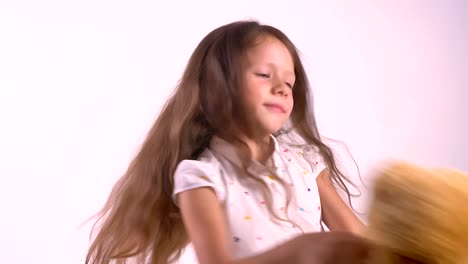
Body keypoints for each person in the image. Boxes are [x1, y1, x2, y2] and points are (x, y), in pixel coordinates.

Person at [85, 20, 368, 264]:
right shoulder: (200, 178)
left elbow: (362, 243)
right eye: (264, 75)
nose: (281, 88)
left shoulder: (307, 163)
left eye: (290, 83)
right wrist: (300, 252)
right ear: (218, 87)